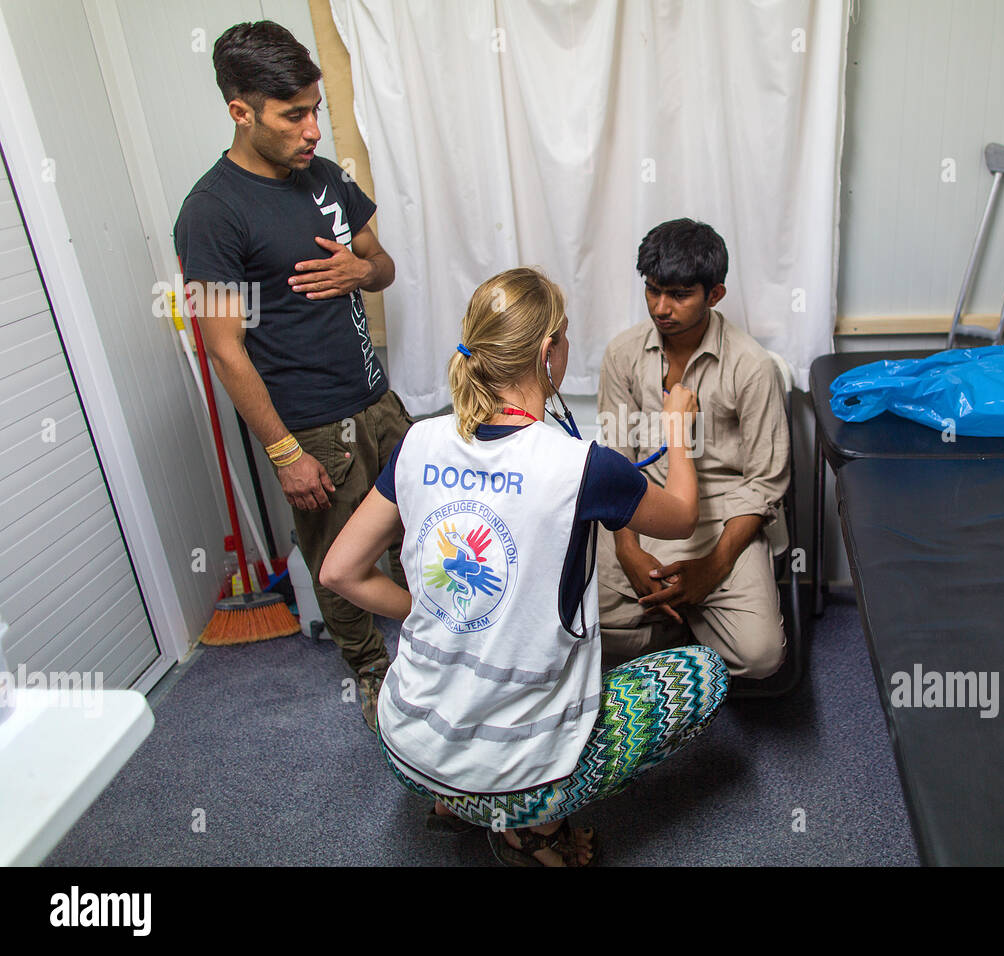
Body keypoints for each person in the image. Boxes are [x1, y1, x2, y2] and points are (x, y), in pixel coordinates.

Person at [320, 268, 729, 866]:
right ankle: (531, 825)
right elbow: (684, 517)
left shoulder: (418, 442)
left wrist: (439, 612)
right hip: (518, 772)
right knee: (705, 675)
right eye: (562, 339)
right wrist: (677, 430)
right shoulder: (584, 467)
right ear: (547, 352)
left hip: (405, 745)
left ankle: (451, 801)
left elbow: (338, 572)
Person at [174, 21, 410, 729]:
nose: (313, 129)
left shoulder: (325, 176)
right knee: (340, 568)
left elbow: (384, 264)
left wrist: (362, 270)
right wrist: (284, 452)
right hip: (311, 427)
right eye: (294, 115)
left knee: (428, 537)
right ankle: (373, 677)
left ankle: (440, 651)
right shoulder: (212, 213)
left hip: (380, 404)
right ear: (240, 110)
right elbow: (223, 348)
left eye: (316, 110)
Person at [596, 219, 791, 679]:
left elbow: (764, 485)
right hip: (640, 507)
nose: (662, 308)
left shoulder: (752, 367)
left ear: (715, 294)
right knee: (579, 627)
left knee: (761, 657)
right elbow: (617, 464)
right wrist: (627, 547)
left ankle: (681, 616)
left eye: (680, 295)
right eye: (653, 291)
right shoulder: (622, 355)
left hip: (724, 517)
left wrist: (711, 569)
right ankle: (685, 624)